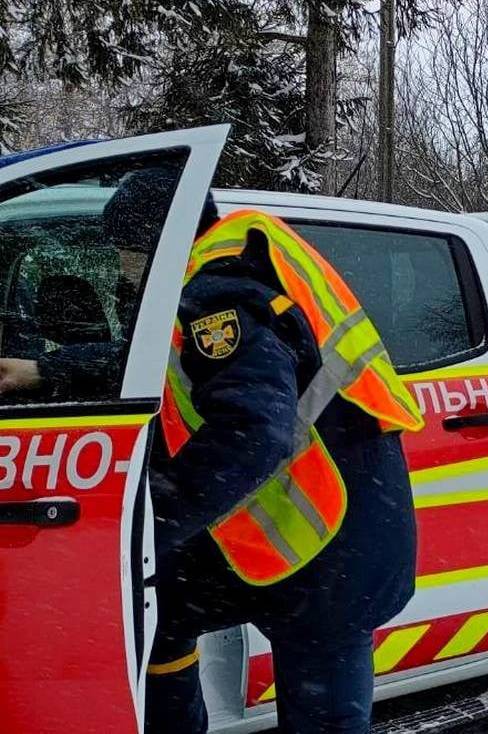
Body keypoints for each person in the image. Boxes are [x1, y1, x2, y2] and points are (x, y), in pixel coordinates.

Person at [0, 173, 425, 734]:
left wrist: (152, 517)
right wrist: (43, 370)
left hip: (333, 544)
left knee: (325, 718)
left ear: (158, 240)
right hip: (316, 525)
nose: (125, 269)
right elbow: (163, 357)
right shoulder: (226, 272)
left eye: (127, 252)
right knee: (166, 608)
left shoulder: (219, 294)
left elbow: (253, 427)